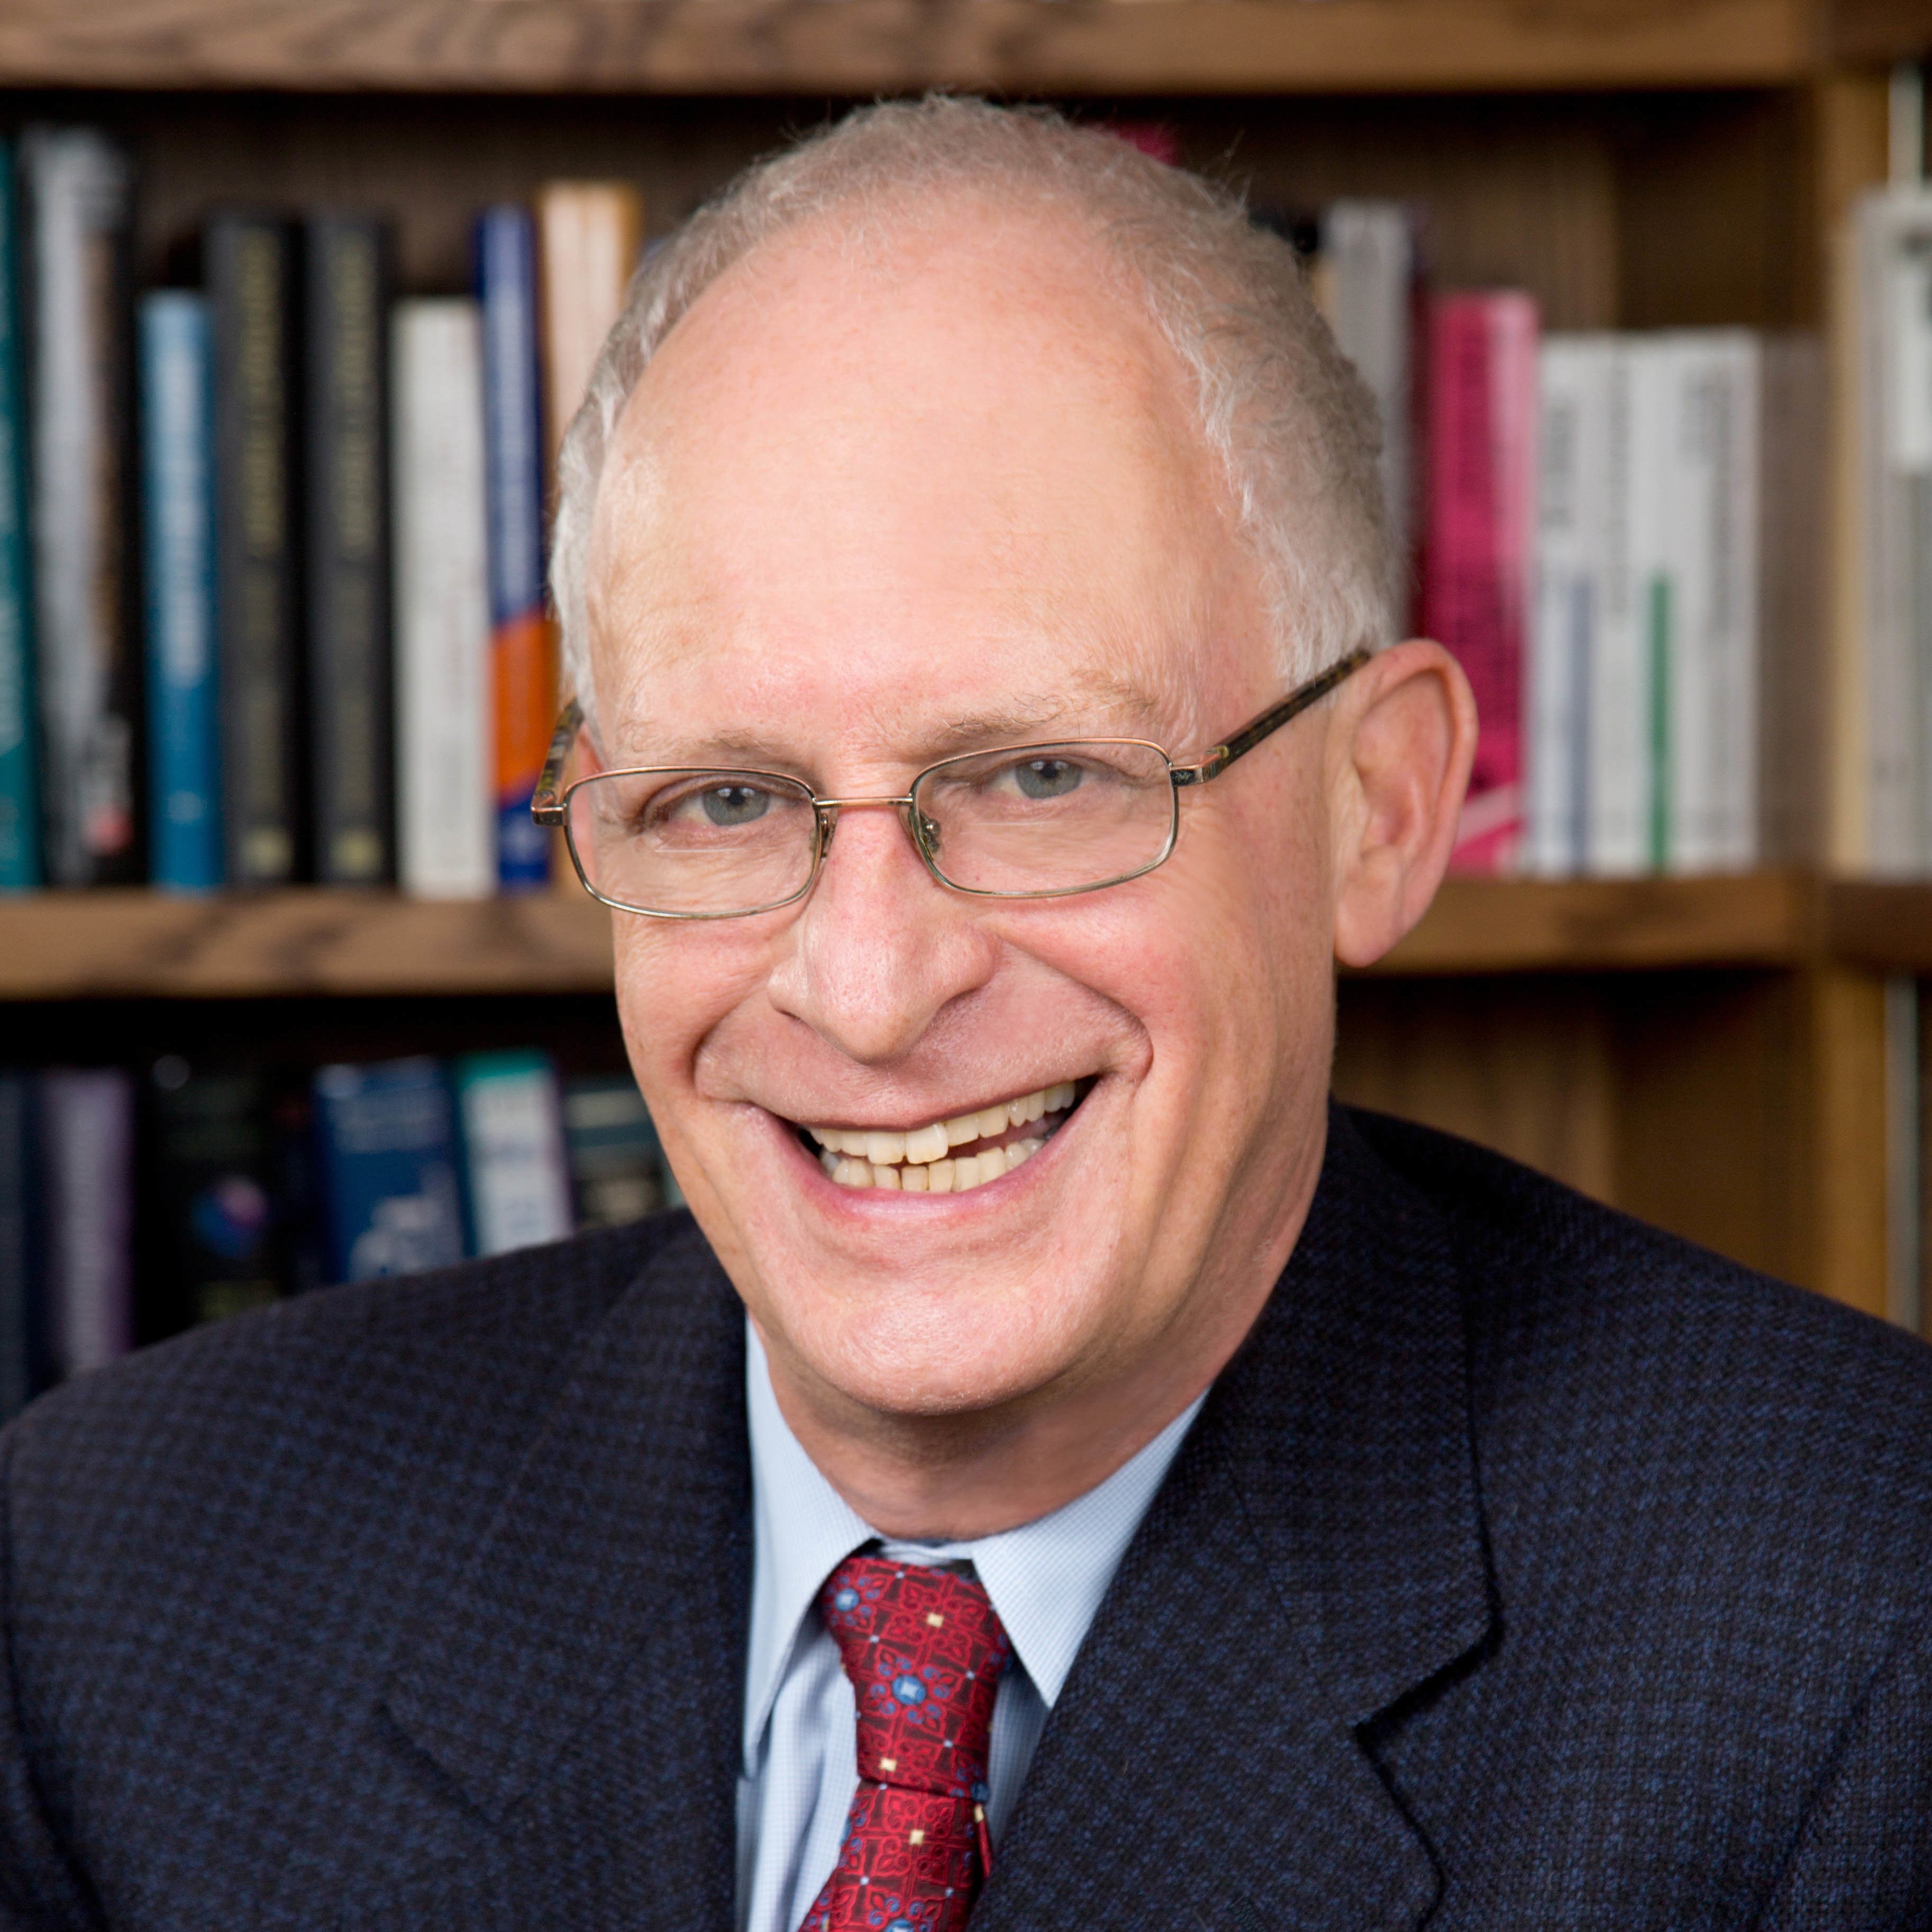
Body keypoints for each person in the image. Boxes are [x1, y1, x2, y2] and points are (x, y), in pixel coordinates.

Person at [3, 98, 1931, 1932]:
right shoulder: (122, 1577)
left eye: (1037, 779)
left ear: (1379, 808)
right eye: (726, 801)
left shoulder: (1853, 1644)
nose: (865, 984)